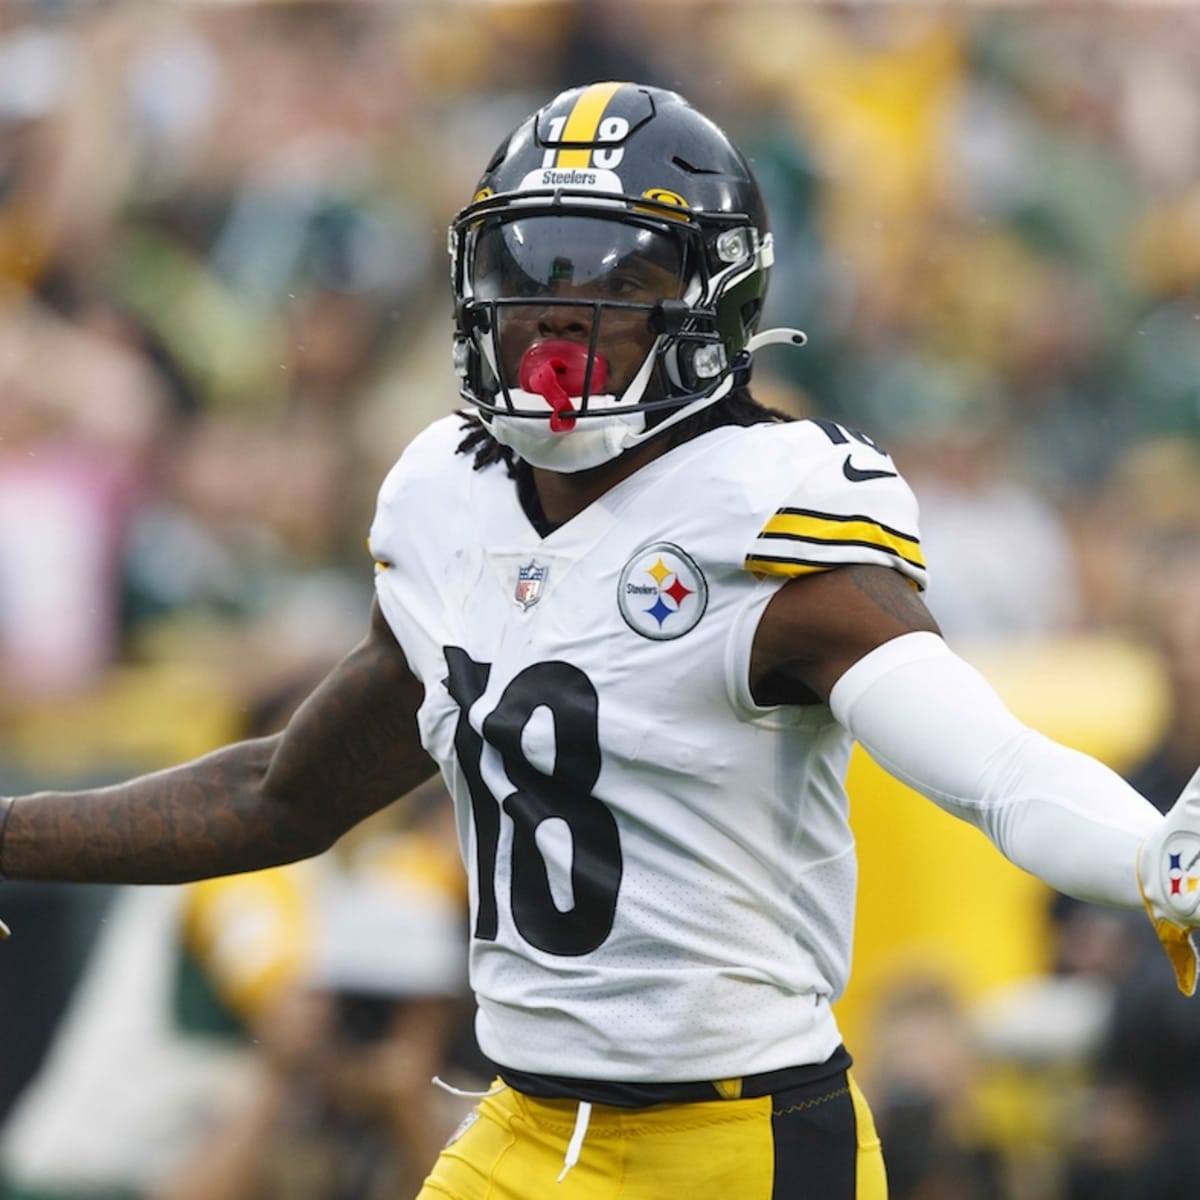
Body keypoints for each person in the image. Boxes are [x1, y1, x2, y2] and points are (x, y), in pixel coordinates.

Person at [1, 81, 1199, 1199]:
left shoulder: (763, 511)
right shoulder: (446, 501)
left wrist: (1158, 863)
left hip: (739, 1141)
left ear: (709, 303)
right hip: (520, 1130)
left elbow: (988, 764)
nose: (548, 322)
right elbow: (284, 792)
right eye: (525, 273)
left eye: (603, 286)